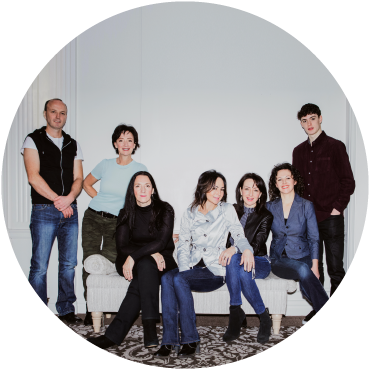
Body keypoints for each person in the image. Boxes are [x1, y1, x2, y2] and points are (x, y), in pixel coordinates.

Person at [154, 170, 254, 358]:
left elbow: (238, 233)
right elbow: (183, 243)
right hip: (192, 265)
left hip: (214, 269)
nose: (219, 192)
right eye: (214, 187)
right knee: (168, 277)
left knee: (178, 279)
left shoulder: (226, 210)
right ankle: (169, 340)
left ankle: (191, 338)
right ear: (204, 187)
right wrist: (184, 269)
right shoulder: (190, 212)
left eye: (222, 189)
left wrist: (244, 249)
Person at [87, 171, 177, 349]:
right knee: (145, 265)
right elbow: (122, 246)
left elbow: (161, 242)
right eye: (138, 186)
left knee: (144, 268)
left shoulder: (165, 209)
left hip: (161, 260)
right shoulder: (125, 213)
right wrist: (148, 253)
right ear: (132, 190)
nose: (142, 189)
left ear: (153, 190)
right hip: (128, 260)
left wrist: (139, 256)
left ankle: (114, 335)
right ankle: (149, 328)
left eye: (147, 185)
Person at [21, 98, 84, 323]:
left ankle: (66, 309)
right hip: (44, 210)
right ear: (46, 114)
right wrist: (60, 201)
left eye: (63, 113)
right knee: (39, 265)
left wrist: (69, 200)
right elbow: (33, 177)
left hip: (71, 211)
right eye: (54, 112)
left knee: (68, 264)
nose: (58, 116)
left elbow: (78, 178)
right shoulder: (33, 140)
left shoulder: (72, 143)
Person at [292, 104, 355, 323]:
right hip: (309, 220)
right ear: (300, 123)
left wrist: (337, 208)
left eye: (312, 119)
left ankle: (337, 312)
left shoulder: (335, 147)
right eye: (304, 120)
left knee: (335, 268)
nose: (309, 124)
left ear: (320, 119)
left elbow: (348, 181)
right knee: (313, 268)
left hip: (332, 217)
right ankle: (321, 308)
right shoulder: (298, 152)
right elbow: (296, 187)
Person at [81, 124, 147, 325]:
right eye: (121, 140)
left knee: (107, 259)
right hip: (93, 217)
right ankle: (90, 306)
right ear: (115, 143)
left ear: (135, 144)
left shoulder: (140, 169)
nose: (125, 144)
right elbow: (86, 183)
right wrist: (99, 198)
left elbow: (141, 197)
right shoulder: (105, 164)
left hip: (117, 223)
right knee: (89, 260)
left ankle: (108, 305)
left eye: (129, 140)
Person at [266, 163, 329, 325]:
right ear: (275, 183)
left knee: (306, 272)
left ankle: (320, 311)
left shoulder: (306, 206)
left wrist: (315, 265)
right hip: (279, 259)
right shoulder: (270, 207)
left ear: (295, 181)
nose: (284, 181)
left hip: (303, 255)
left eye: (288, 177)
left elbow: (314, 237)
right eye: (279, 179)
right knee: (302, 269)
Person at [223, 173, 273, 344]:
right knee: (236, 263)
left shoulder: (266, 215)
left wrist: (236, 248)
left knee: (243, 269)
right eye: (247, 188)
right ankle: (238, 312)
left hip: (258, 260)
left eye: (256, 189)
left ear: (260, 194)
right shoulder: (230, 210)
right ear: (240, 190)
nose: (251, 193)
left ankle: (261, 318)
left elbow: (257, 245)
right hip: (234, 261)